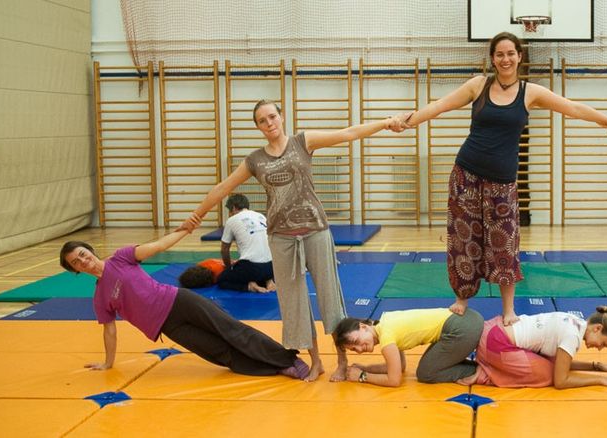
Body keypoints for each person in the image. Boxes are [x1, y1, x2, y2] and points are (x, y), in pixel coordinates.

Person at [387, 32, 607, 326]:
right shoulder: (478, 85)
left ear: (519, 56)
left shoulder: (530, 92)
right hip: (466, 175)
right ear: (492, 58)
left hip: (502, 183)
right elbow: (439, 106)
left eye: (511, 53)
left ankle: (509, 309)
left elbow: (573, 108)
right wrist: (406, 121)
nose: (505, 59)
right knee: (464, 240)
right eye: (500, 54)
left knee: (505, 246)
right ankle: (462, 299)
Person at [180, 100, 396, 381]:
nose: (269, 123)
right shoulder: (255, 160)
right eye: (262, 120)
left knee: (331, 299)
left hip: (315, 230)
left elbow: (348, 133)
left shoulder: (303, 142)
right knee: (294, 303)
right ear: (258, 126)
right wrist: (195, 216)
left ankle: (342, 361)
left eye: (272, 116)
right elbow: (223, 188)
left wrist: (385, 122)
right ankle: (316, 362)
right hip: (281, 238)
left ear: (281, 117)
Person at [60, 230, 309, 379]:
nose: (83, 261)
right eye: (76, 262)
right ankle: (275, 368)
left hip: (178, 301)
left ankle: (288, 359)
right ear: (75, 270)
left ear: (90, 250)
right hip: (168, 326)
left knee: (230, 329)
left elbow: (158, 246)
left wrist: (184, 229)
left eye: (82, 254)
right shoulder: (100, 296)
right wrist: (108, 362)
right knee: (218, 353)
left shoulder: (120, 258)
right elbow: (109, 330)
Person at [469, 306, 607, 389]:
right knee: (548, 374)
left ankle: (490, 364)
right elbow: (561, 381)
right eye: (603, 344)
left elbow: (562, 363)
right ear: (597, 328)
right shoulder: (572, 336)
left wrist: (596, 366)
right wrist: (600, 380)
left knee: (552, 364)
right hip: (496, 345)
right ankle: (483, 373)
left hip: (493, 331)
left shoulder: (574, 321)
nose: (600, 348)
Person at [333, 308, 484, 387]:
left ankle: (482, 371)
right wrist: (366, 368)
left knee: (426, 373)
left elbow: (394, 380)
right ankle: (480, 366)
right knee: (428, 366)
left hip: (463, 329)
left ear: (363, 327)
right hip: (467, 320)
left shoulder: (386, 338)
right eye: (353, 349)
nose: (359, 349)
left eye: (356, 341)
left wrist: (362, 376)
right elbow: (400, 367)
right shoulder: (385, 321)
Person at [178, 193, 276, 292]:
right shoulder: (261, 216)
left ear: (233, 208)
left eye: (229, 211)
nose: (229, 214)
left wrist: (229, 267)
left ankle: (250, 286)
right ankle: (269, 281)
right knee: (257, 269)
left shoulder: (232, 220)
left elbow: (224, 250)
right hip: (272, 267)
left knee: (223, 280)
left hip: (253, 268)